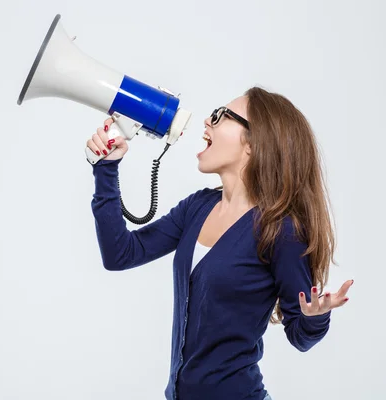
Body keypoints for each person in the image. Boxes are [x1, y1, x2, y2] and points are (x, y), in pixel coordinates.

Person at [86, 86, 353, 400]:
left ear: (255, 142)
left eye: (220, 116)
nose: (206, 123)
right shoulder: (198, 206)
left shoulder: (281, 230)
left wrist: (315, 316)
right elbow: (120, 254)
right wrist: (106, 169)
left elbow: (300, 336)